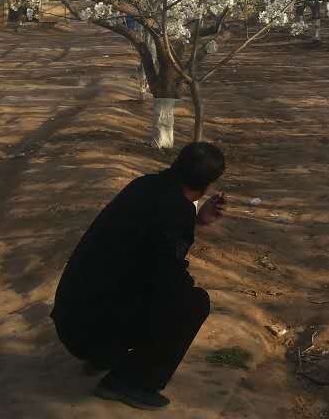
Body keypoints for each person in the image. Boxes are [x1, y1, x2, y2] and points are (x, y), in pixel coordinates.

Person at [51, 142, 227, 410]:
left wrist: (195, 219)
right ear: (210, 184)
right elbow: (169, 277)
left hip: (70, 317)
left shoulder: (144, 186)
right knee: (193, 303)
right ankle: (130, 382)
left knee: (145, 287)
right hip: (89, 332)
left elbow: (147, 240)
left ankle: (105, 357)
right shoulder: (175, 211)